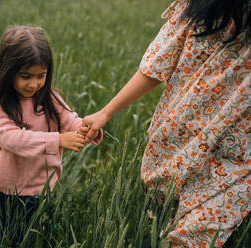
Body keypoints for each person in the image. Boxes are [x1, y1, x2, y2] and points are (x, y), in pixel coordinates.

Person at [82, 0, 250, 247]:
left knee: (190, 238)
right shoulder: (196, 9)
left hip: (235, 157)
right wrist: (105, 112)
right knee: (159, 222)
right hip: (177, 145)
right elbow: (156, 65)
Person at [0, 25, 102, 245]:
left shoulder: (48, 96)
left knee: (42, 239)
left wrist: (86, 129)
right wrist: (58, 140)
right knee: (13, 241)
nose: (34, 84)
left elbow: (69, 119)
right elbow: (11, 139)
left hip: (44, 188)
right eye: (26, 76)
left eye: (41, 76)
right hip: (9, 193)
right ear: (7, 71)